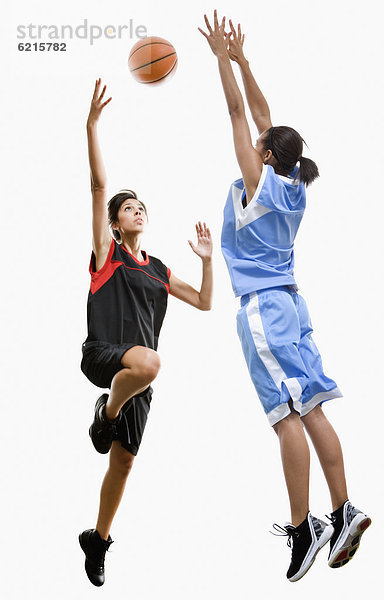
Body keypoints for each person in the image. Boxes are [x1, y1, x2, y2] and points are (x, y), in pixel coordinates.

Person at [199, 11, 370, 583]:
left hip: (265, 309)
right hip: (293, 305)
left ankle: (305, 528)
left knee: (284, 417)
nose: (252, 142)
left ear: (267, 156)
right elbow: (265, 118)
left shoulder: (258, 184)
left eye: (259, 145)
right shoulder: (293, 187)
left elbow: (239, 113)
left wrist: (223, 61)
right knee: (312, 403)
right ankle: (343, 508)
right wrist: (246, 60)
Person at [79, 78, 213, 587]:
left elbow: (203, 303)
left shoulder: (156, 267)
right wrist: (92, 126)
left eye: (141, 206)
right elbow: (97, 185)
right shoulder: (106, 254)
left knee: (123, 465)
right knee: (151, 364)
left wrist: (206, 263)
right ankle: (104, 412)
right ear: (114, 225)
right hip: (105, 356)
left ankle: (98, 539)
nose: (138, 209)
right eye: (128, 207)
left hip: (135, 380)